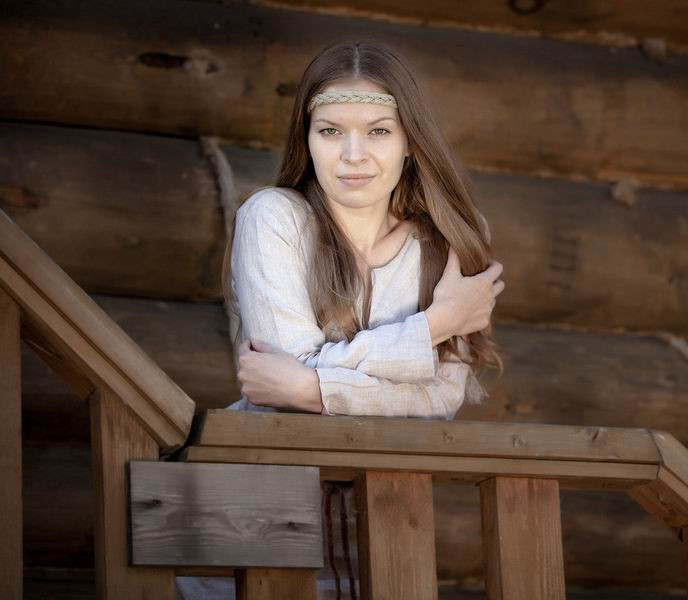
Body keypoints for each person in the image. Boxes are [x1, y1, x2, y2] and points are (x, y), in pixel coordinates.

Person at [176, 39, 504, 600]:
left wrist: (314, 387)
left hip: (385, 525)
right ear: (307, 139)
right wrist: (434, 326)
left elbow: (441, 399)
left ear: (409, 141)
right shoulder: (274, 219)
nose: (354, 154)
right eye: (330, 131)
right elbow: (283, 381)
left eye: (378, 131)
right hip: (252, 514)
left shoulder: (447, 239)